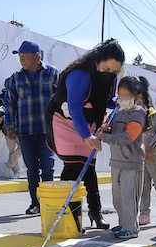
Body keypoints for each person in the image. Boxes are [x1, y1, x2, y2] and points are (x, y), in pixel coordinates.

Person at [46, 39, 124, 229]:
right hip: (65, 121)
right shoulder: (79, 75)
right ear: (97, 60)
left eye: (114, 72)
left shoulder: (109, 78)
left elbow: (107, 100)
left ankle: (95, 213)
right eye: (106, 69)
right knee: (73, 166)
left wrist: (121, 99)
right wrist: (86, 136)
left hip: (87, 122)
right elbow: (74, 108)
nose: (110, 75)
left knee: (89, 167)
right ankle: (68, 215)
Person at [3, 40, 59, 215]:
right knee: (32, 169)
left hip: (47, 130)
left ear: (37, 55)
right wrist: (10, 126)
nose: (22, 60)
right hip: (25, 130)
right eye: (20, 57)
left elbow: (62, 100)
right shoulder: (16, 78)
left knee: (48, 167)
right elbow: (10, 103)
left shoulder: (53, 74)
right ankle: (35, 203)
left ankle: (48, 202)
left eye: (25, 56)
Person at [100, 76, 150, 240]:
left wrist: (104, 137)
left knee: (129, 197)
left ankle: (131, 228)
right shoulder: (117, 112)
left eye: (126, 95)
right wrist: (104, 130)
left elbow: (126, 138)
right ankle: (124, 224)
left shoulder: (138, 114)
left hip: (132, 164)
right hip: (116, 163)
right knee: (118, 198)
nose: (123, 98)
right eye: (120, 94)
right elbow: (106, 130)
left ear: (137, 96)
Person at [138, 88, 156, 226]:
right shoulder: (134, 117)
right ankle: (144, 212)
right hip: (141, 157)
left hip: (155, 156)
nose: (139, 105)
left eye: (141, 102)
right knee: (144, 186)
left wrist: (150, 149)